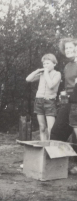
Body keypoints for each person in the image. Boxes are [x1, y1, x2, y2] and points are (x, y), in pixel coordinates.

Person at [49, 38, 77, 174]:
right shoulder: (67, 66)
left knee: (76, 134)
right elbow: (67, 86)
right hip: (69, 101)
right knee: (57, 131)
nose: (69, 50)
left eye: (72, 47)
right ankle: (53, 162)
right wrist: (64, 98)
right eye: (67, 49)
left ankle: (75, 165)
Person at [26, 54, 61, 140]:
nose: (45, 66)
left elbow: (51, 85)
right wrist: (37, 71)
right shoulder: (41, 74)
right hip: (39, 101)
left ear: (54, 64)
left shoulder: (57, 74)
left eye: (48, 63)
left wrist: (45, 73)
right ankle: (43, 146)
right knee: (42, 127)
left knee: (51, 128)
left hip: (50, 101)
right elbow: (28, 79)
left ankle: (51, 148)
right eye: (44, 64)